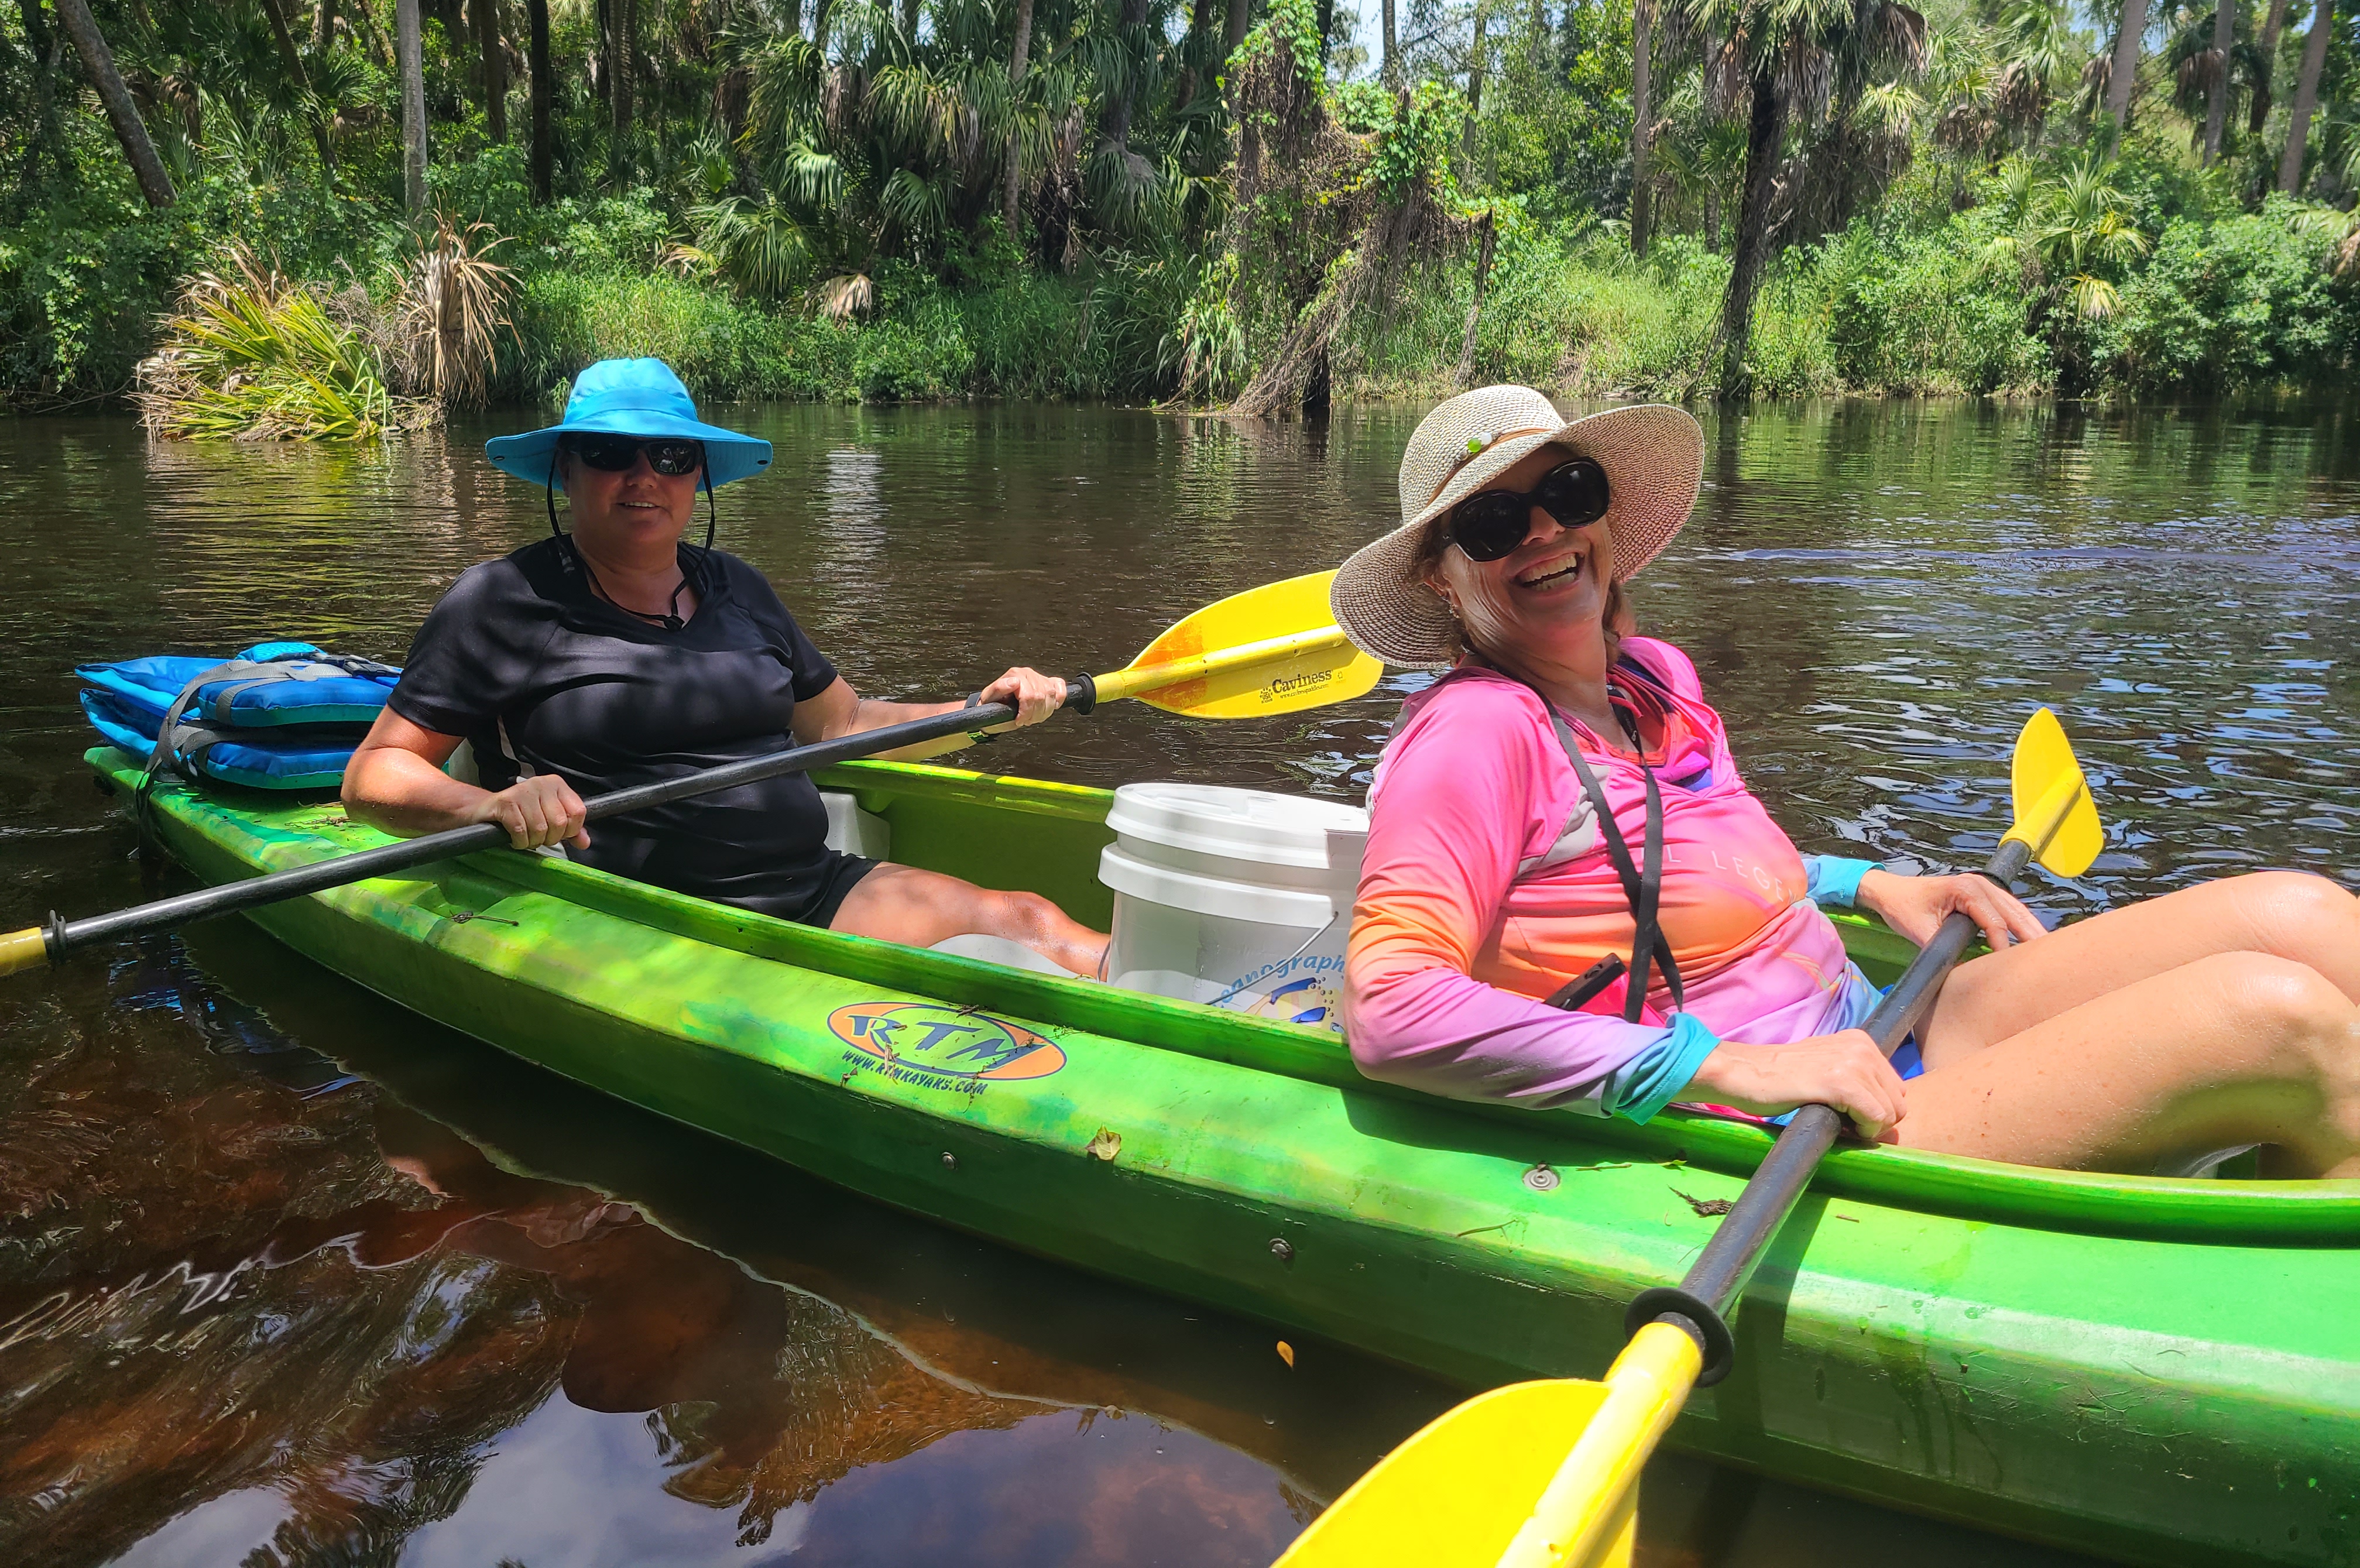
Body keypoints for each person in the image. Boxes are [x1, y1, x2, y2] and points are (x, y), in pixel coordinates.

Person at [1330, 385, 2360, 1178]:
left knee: (2304, 918)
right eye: (1494, 525)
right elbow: (1391, 1009)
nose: (1546, 533)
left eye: (1566, 494)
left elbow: (1715, 848)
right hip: (1793, 1118)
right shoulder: (1474, 733)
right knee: (2278, 1023)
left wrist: (1866, 884)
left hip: (1876, 1019)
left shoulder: (1657, 681)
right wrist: (1726, 1067)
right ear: (1442, 572)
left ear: (1600, 512)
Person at [344, 358, 1109, 976]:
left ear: (697, 478)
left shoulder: (738, 588)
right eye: (612, 454)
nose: (643, 476)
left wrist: (980, 710)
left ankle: (1224, 1026)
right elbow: (374, 775)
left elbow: (843, 724)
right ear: (566, 472)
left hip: (807, 888)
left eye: (671, 456)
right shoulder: (503, 600)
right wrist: (491, 805)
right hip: (649, 922)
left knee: (1032, 922)